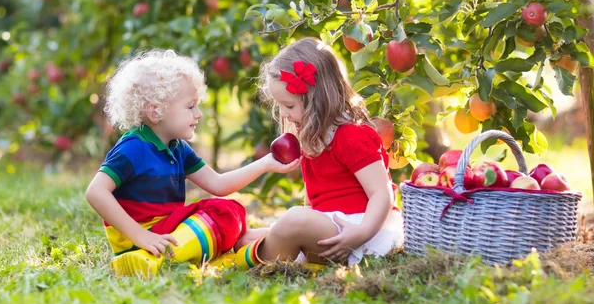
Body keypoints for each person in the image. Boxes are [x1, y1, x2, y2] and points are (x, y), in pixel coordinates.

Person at [85, 49, 299, 278]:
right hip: (141, 238)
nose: (198, 114)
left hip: (169, 231)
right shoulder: (134, 146)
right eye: (190, 107)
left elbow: (218, 184)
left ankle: (196, 256)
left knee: (231, 211)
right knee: (221, 214)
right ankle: (150, 258)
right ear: (156, 111)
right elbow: (95, 192)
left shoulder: (177, 148)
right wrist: (141, 236)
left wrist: (266, 163)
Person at [234, 37, 403, 268]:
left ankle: (254, 263)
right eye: (280, 105)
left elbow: (382, 194)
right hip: (330, 227)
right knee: (245, 236)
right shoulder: (312, 139)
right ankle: (255, 251)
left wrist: (361, 233)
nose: (283, 114)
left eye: (290, 106)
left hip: (363, 231)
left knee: (293, 220)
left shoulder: (352, 135)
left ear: (318, 99)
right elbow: (313, 203)